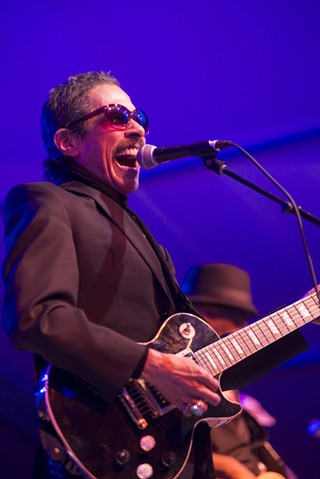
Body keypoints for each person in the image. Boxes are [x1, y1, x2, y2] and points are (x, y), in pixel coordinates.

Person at [2, 71, 307, 479]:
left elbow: (205, 363)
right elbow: (36, 316)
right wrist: (150, 364)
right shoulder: (46, 202)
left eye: (139, 117)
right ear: (68, 142)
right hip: (100, 444)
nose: (138, 128)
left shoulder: (141, 233)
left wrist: (306, 314)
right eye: (116, 116)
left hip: (171, 457)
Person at [181, 263, 298, 479]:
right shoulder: (176, 375)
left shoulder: (238, 388)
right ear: (205, 314)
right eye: (236, 319)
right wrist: (230, 467)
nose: (242, 328)